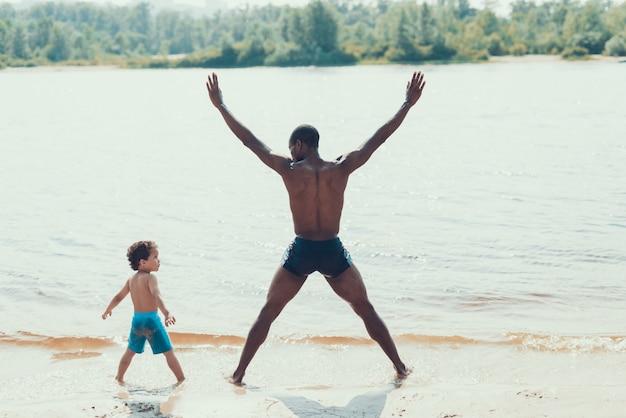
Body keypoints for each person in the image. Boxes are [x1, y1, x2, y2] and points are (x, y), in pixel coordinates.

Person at [206, 70, 426, 385]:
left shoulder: (288, 169)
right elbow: (379, 138)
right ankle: (401, 368)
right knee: (364, 308)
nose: (291, 151)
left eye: (292, 146)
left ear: (299, 144)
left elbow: (248, 140)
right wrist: (407, 104)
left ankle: (238, 375)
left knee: (269, 312)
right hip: (332, 250)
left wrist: (221, 105)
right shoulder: (342, 167)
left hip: (303, 250)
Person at [102, 240, 185, 384]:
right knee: (168, 352)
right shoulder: (151, 278)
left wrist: (109, 309)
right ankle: (181, 379)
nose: (159, 261)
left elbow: (119, 296)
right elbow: (156, 295)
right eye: (155, 257)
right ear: (143, 262)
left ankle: (119, 377)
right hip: (152, 321)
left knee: (130, 351)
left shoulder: (131, 280)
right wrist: (166, 313)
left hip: (137, 321)